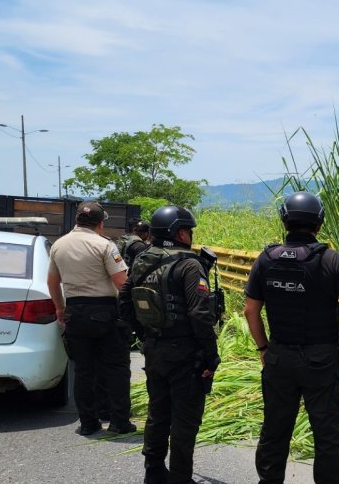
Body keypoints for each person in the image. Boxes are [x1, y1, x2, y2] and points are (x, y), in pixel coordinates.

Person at [243, 191, 339, 484]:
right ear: (319, 223)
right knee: (326, 433)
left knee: (275, 429)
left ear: (284, 221)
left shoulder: (265, 259)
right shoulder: (330, 260)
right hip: (321, 361)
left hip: (279, 359)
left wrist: (264, 348)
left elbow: (250, 310)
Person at [118, 205, 220, 484]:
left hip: (154, 350)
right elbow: (200, 313)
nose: (190, 235)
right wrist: (210, 355)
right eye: (188, 230)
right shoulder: (190, 265)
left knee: (158, 413)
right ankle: (180, 478)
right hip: (185, 355)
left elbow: (124, 301)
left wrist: (145, 334)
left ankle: (153, 471)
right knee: (185, 421)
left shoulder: (144, 259)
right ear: (180, 233)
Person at [47, 201, 136, 436]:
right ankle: (119, 421)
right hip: (105, 311)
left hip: (74, 312)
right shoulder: (104, 245)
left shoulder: (58, 245)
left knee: (83, 370)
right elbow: (121, 283)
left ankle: (88, 422)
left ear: (77, 219)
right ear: (100, 223)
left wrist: (60, 309)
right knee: (116, 368)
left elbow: (52, 282)